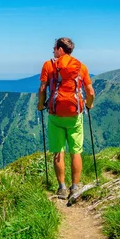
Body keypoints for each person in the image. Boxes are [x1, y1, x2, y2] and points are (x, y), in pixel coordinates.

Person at [37, 37, 95, 200]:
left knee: (58, 151)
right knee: (75, 151)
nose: (53, 51)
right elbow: (90, 92)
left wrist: (40, 105)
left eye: (54, 48)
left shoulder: (48, 65)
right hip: (74, 116)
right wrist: (89, 105)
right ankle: (75, 187)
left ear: (61, 50)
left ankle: (61, 188)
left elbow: (42, 89)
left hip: (55, 115)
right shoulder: (81, 67)